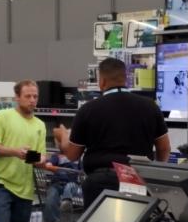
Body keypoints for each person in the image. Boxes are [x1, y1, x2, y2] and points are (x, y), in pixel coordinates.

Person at [53, 58, 171, 207]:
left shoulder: (88, 110)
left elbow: (72, 154)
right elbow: (164, 147)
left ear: (101, 81)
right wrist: (154, 175)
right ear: (127, 79)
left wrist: (63, 136)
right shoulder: (150, 107)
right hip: (136, 181)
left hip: (100, 183)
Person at [0, 80, 47, 222]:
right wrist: (16, 152)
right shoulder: (2, 116)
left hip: (25, 190)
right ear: (17, 97)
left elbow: (40, 156)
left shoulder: (40, 125)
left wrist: (40, 160)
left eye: (35, 96)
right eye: (28, 96)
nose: (32, 100)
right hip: (1, 186)